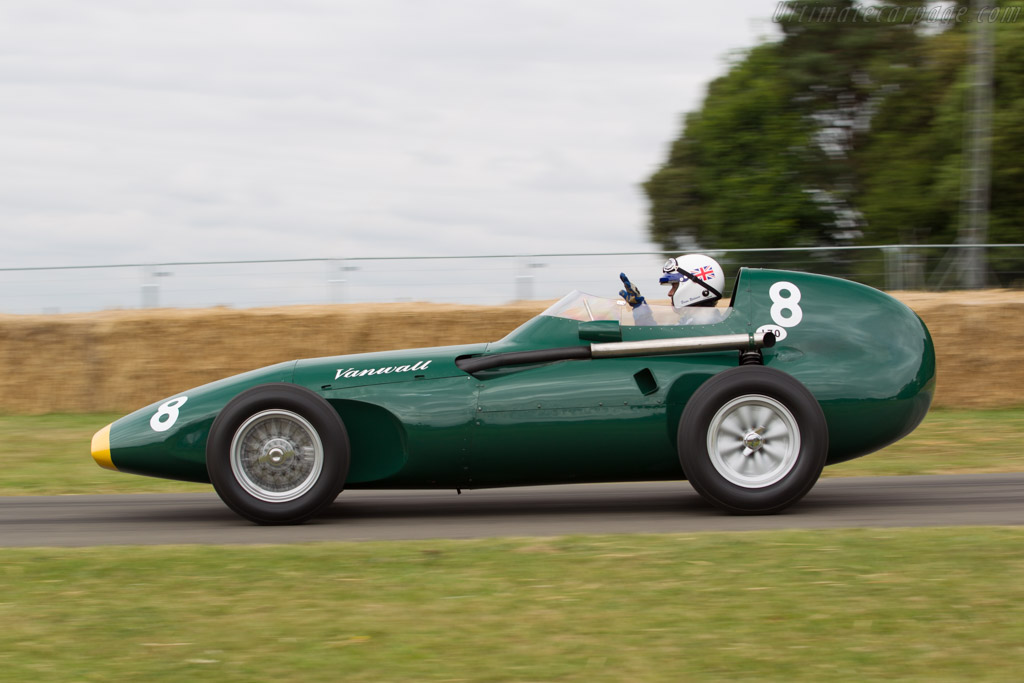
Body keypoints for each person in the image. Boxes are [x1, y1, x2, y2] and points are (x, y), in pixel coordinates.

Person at [618, 254, 725, 325]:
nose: (670, 293)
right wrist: (640, 308)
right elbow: (660, 340)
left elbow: (659, 345)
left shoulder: (704, 323)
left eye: (674, 286)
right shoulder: (692, 321)